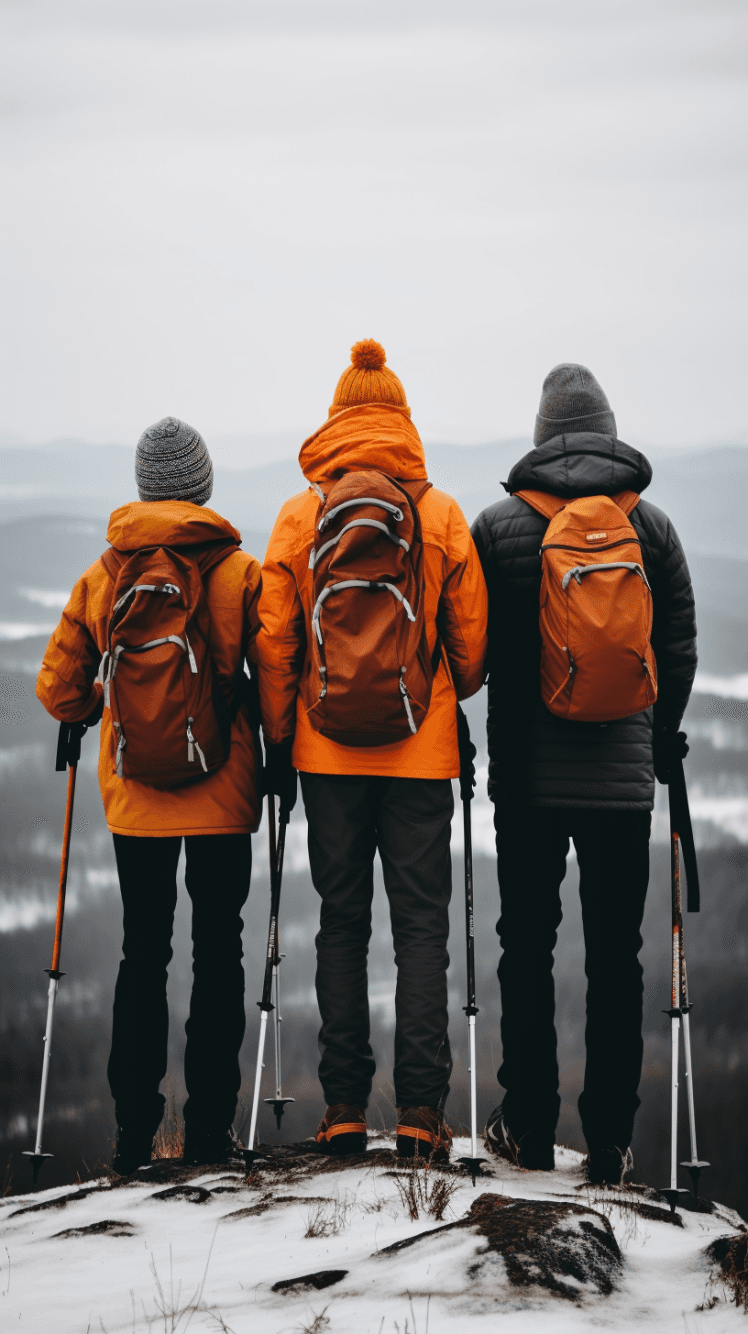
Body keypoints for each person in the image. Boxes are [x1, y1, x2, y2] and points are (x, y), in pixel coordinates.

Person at [257, 340, 487, 1159]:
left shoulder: (299, 516)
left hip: (325, 756)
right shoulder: (441, 515)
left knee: (341, 928)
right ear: (401, 418)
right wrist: (442, 696)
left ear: (337, 417)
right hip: (419, 753)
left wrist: (281, 742)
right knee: (422, 929)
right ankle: (422, 1116)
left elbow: (276, 643)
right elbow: (472, 652)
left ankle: (345, 1110)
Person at [471, 364, 697, 1184]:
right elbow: (677, 648)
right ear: (606, 430)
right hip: (622, 783)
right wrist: (655, 734)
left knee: (526, 947)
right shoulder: (654, 531)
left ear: (541, 435)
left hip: (528, 782)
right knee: (616, 956)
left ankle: (527, 1127)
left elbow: (472, 651)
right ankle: (609, 1144)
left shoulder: (497, 529)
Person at [37, 417, 263, 1174]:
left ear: (142, 488)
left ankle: (134, 1137)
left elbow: (59, 687)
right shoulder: (237, 571)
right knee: (218, 954)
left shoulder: (108, 573)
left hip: (137, 797)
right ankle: (207, 1135)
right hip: (223, 792)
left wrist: (87, 709)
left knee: (143, 954)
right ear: (202, 488)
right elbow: (279, 674)